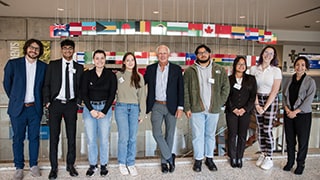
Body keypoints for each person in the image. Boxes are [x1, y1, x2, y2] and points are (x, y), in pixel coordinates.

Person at [3, 39, 47, 180]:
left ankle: (34, 165)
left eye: (37, 49)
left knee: (34, 137)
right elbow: (7, 84)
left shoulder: (43, 67)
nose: (34, 50)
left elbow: (45, 87)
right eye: (31, 47)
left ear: (40, 52)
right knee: (18, 138)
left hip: (35, 108)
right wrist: (17, 99)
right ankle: (19, 167)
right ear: (26, 48)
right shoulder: (13, 64)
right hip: (18, 109)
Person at [184, 44, 230, 172]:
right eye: (199, 53)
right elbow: (185, 91)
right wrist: (187, 107)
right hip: (196, 109)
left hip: (213, 110)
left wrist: (219, 103)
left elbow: (226, 88)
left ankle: (209, 158)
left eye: (205, 52)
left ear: (209, 54)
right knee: (197, 135)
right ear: (196, 56)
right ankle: (198, 159)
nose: (202, 54)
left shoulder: (219, 69)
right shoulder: (190, 71)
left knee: (210, 135)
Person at [43, 39, 84, 179]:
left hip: (71, 105)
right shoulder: (53, 65)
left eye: (70, 48)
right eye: (65, 48)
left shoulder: (79, 67)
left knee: (71, 137)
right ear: (61, 50)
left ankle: (70, 165)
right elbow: (46, 84)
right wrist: (47, 101)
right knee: (54, 137)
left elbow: (81, 87)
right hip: (55, 104)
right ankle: (53, 168)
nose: (67, 51)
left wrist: (78, 102)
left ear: (73, 50)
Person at [144, 45, 184, 173]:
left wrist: (180, 107)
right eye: (160, 53)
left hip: (172, 106)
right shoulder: (150, 69)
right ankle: (169, 157)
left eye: (164, 53)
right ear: (157, 55)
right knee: (156, 133)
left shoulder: (176, 69)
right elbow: (140, 84)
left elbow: (181, 89)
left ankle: (164, 162)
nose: (162, 55)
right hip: (156, 105)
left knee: (170, 134)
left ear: (168, 54)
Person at [81, 50, 117, 177]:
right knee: (91, 139)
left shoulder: (110, 75)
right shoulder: (87, 74)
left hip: (104, 109)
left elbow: (112, 94)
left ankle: (103, 164)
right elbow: (83, 93)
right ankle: (92, 164)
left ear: (105, 59)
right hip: (89, 108)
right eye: (97, 58)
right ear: (93, 60)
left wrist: (104, 111)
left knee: (103, 139)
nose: (100, 60)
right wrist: (91, 109)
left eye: (102, 58)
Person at [282, 56, 316, 175]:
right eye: (297, 64)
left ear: (306, 67)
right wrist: (287, 109)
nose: (299, 67)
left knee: (302, 141)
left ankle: (300, 164)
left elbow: (308, 100)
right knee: (290, 140)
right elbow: (284, 97)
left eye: (302, 65)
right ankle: (290, 162)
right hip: (288, 114)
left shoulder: (310, 82)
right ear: (294, 66)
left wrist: (295, 112)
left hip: (303, 115)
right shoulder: (288, 80)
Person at [250, 45, 282, 170]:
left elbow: (275, 91)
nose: (268, 55)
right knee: (259, 129)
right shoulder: (254, 69)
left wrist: (265, 107)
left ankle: (269, 156)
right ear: (262, 53)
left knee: (267, 129)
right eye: (266, 52)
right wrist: (257, 105)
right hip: (257, 99)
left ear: (274, 57)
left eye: (271, 53)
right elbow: (252, 88)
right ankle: (263, 153)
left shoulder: (275, 70)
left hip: (271, 101)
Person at [115, 52, 146, 176]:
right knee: (124, 137)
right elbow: (113, 91)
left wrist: (142, 113)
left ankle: (131, 163)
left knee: (132, 138)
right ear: (123, 62)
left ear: (135, 62)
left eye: (132, 60)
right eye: (127, 60)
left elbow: (142, 97)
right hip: (121, 108)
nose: (130, 62)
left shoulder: (139, 77)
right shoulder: (118, 75)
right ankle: (122, 163)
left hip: (134, 109)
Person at [225, 56, 257, 168]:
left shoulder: (251, 79)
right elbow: (226, 96)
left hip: (245, 112)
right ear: (235, 65)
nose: (241, 66)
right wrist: (233, 108)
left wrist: (245, 109)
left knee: (243, 135)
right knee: (232, 135)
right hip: (231, 112)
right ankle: (232, 157)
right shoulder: (228, 79)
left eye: (243, 64)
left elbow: (253, 97)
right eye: (239, 64)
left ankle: (240, 157)